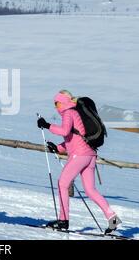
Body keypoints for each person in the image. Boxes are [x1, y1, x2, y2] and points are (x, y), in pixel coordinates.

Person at [37, 90, 122, 233]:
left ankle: (63, 221)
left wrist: (47, 125)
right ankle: (113, 219)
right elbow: (74, 139)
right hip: (90, 155)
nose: (55, 107)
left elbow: (64, 132)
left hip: (80, 156)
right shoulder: (75, 113)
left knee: (62, 184)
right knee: (90, 190)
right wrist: (57, 148)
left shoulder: (69, 113)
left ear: (63, 102)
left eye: (56, 103)